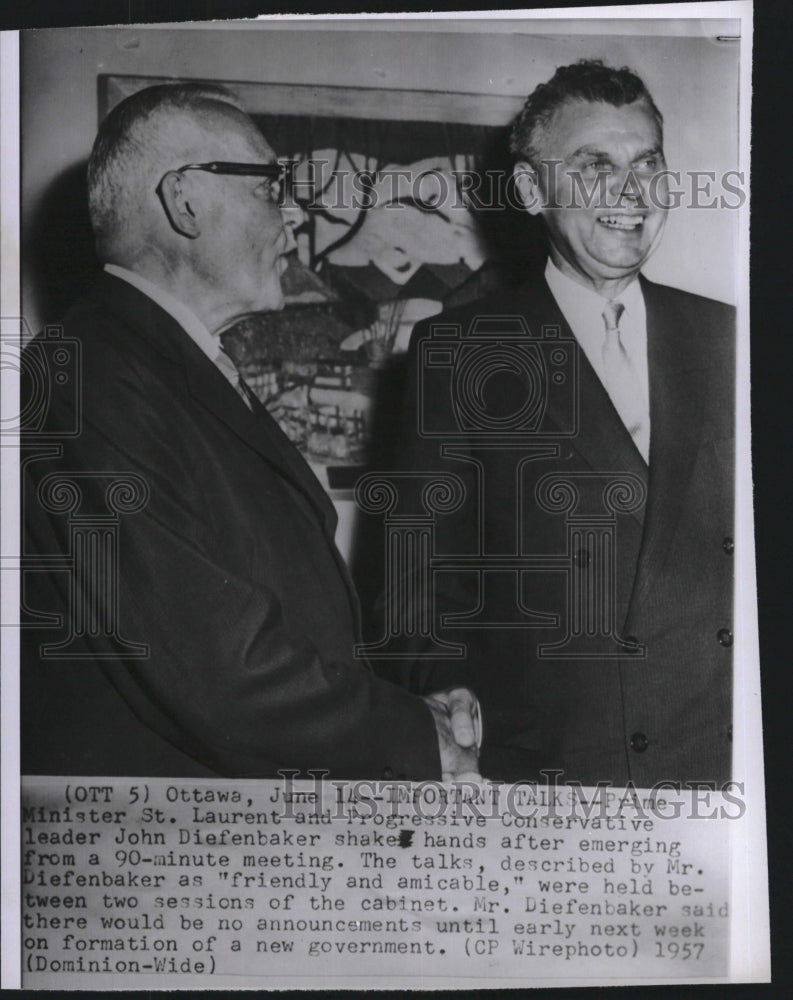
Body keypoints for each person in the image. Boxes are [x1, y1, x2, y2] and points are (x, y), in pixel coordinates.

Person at [20, 83, 480, 780]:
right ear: (185, 201)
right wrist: (415, 735)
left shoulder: (163, 363)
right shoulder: (90, 371)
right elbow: (213, 662)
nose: (294, 214)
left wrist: (406, 708)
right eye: (272, 186)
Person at [385, 60, 734, 786]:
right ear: (527, 189)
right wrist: (446, 696)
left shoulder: (729, 337)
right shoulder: (459, 352)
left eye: (646, 164)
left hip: (721, 759)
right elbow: (417, 587)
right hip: (557, 770)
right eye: (594, 166)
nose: (630, 193)